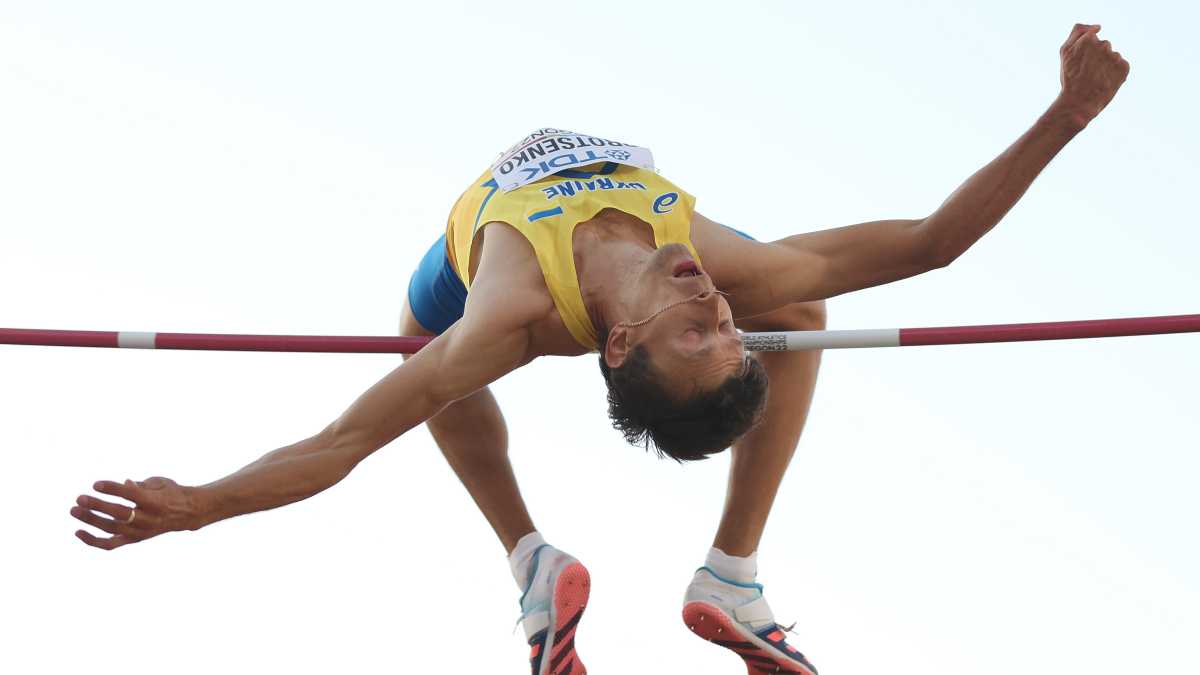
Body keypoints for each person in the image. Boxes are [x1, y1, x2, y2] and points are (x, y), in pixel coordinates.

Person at [70, 24, 1128, 675]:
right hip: (550, 237)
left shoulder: (510, 313)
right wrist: (1065, 117)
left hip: (464, 268)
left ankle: (562, 567)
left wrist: (205, 501)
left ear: (621, 342)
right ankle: (690, 572)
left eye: (699, 327)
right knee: (797, 310)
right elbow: (931, 246)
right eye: (723, 323)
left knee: (421, 353)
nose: (715, 300)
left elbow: (344, 443)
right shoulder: (708, 263)